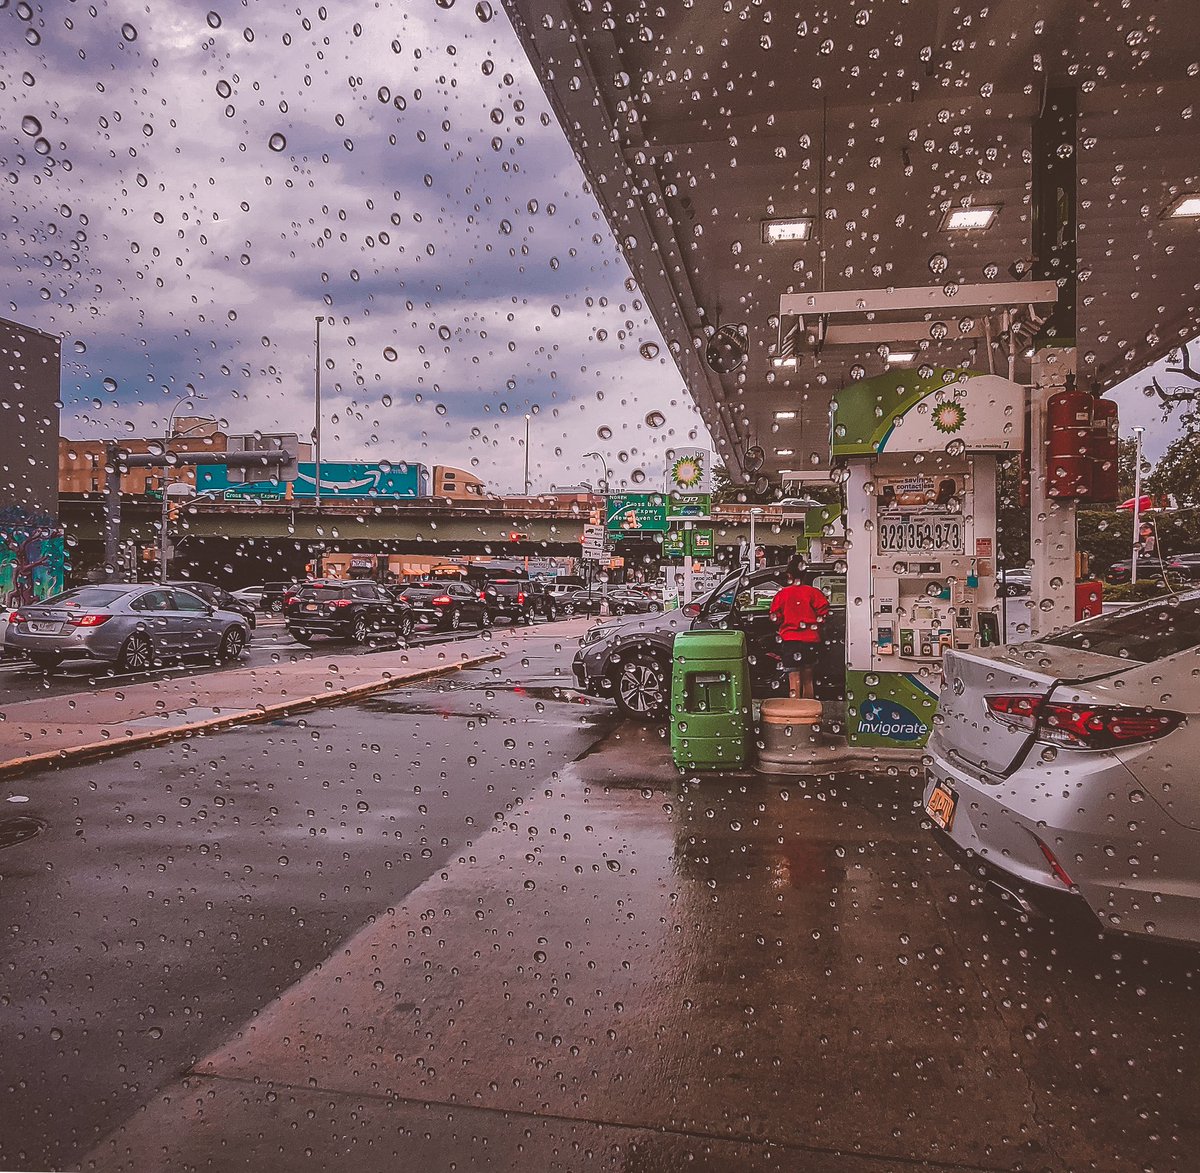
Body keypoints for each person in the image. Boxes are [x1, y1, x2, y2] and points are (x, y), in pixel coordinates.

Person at [769, 558, 831, 700]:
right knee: (808, 680)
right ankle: (810, 713)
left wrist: (785, 620)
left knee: (794, 680)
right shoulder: (813, 593)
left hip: (791, 641)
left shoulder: (782, 594)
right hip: (811, 641)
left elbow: (775, 617)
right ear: (804, 574)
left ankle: (796, 713)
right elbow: (824, 613)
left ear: (789, 575)